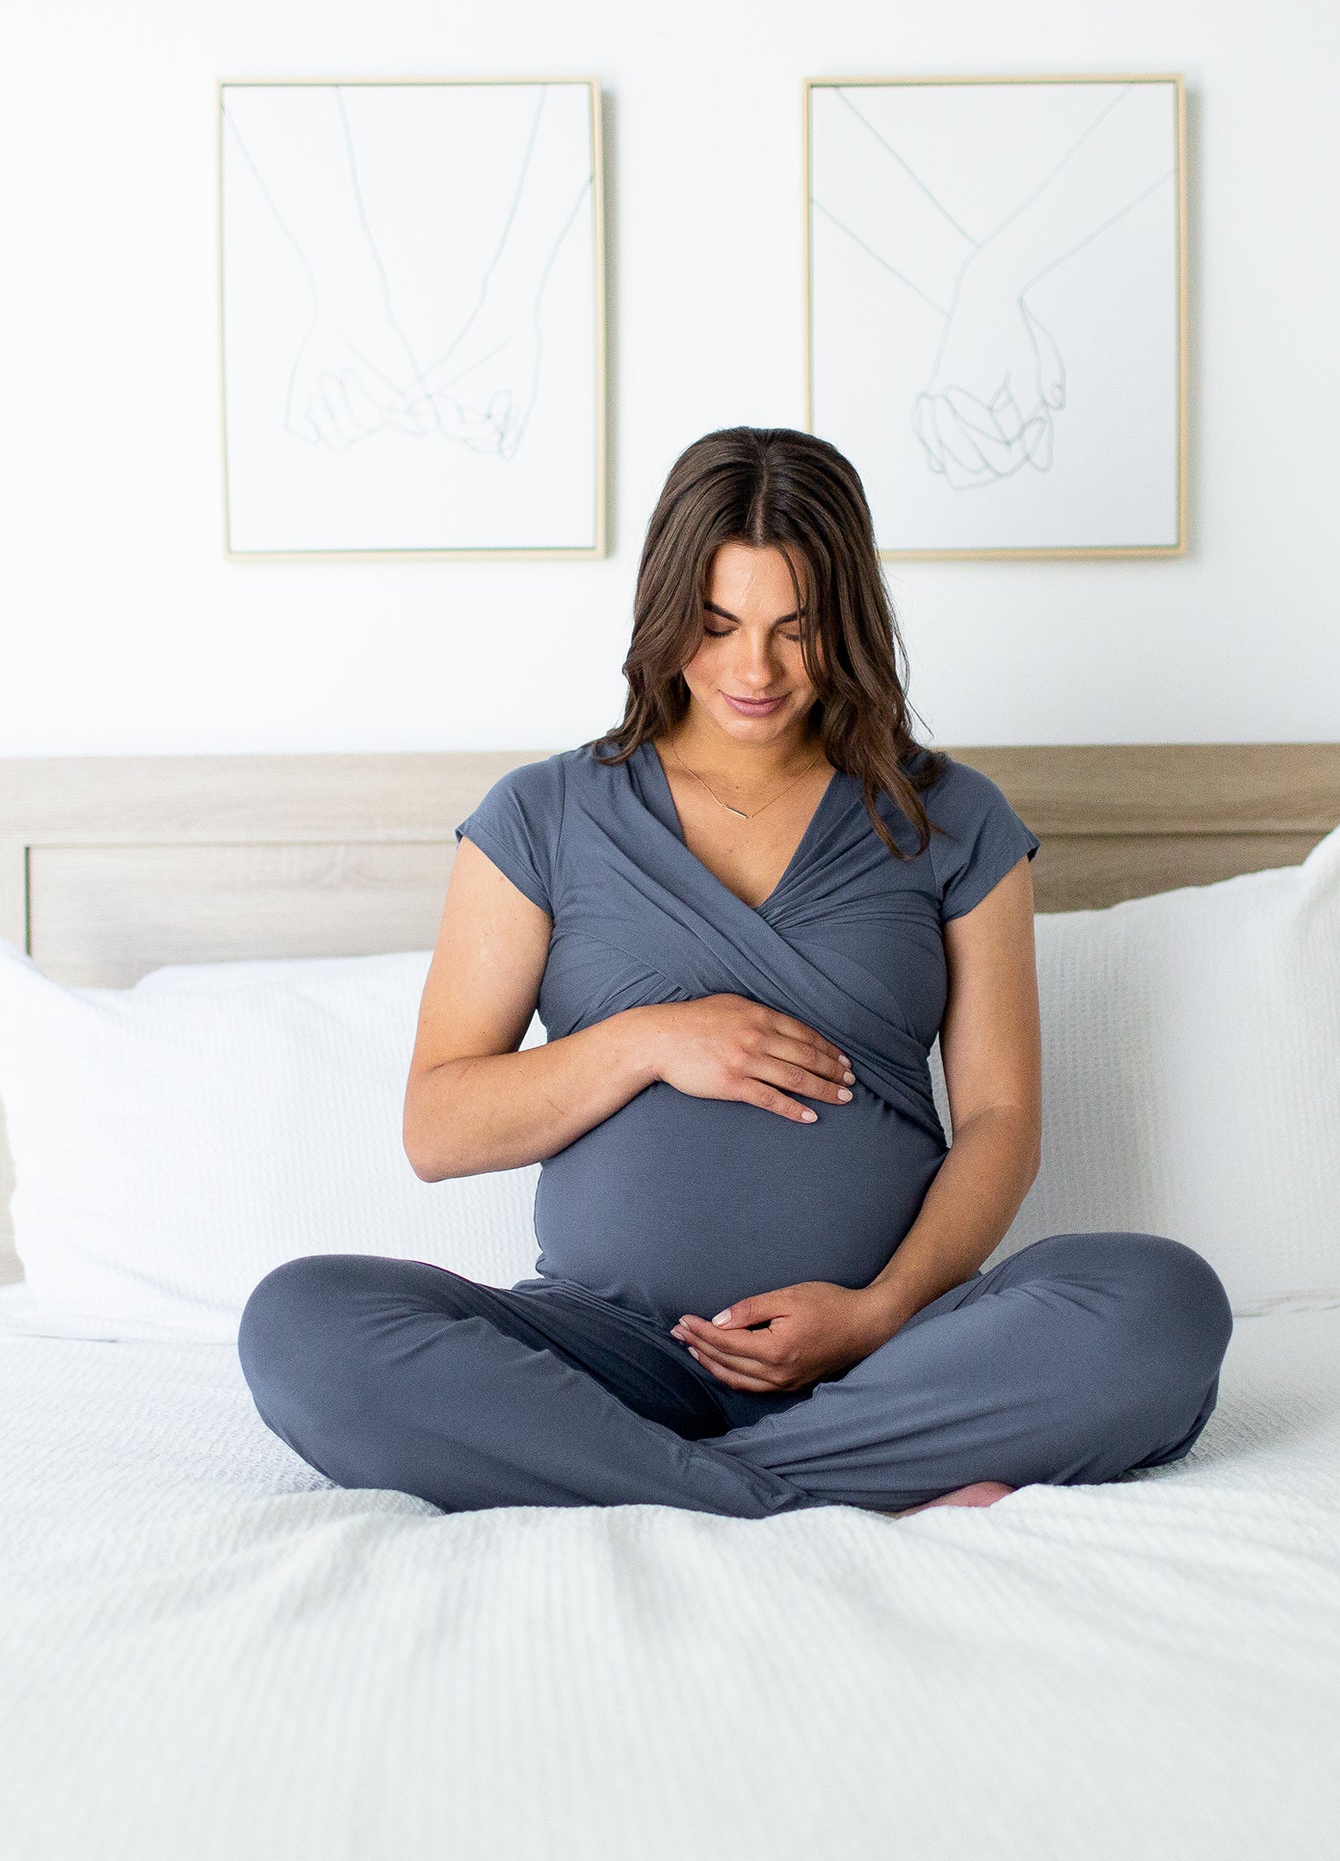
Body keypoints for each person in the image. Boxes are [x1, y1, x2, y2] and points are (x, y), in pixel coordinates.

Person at [237, 426, 1233, 1519]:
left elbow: (1000, 1117)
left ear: (845, 624)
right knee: (300, 1323)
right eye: (714, 627)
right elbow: (439, 1126)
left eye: (793, 630)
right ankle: (812, 1488)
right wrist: (652, 1037)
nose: (752, 670)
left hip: (883, 1358)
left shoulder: (950, 819)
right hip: (599, 1357)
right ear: (664, 615)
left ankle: (643, 1479)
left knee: (1161, 1304)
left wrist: (881, 1311)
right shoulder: (544, 816)